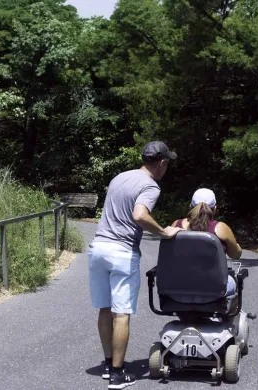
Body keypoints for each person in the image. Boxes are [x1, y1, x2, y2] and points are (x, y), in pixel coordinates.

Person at [88, 141, 183, 389]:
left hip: (98, 247)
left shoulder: (120, 177)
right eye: (167, 164)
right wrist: (163, 232)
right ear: (161, 163)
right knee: (122, 314)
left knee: (104, 309)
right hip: (121, 250)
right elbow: (139, 215)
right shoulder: (150, 185)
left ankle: (110, 365)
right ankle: (118, 375)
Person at [170, 188, 243, 303]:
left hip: (178, 291)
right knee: (234, 282)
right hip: (214, 291)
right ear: (215, 208)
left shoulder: (176, 225)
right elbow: (235, 254)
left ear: (190, 206)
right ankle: (228, 318)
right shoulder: (220, 228)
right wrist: (237, 246)